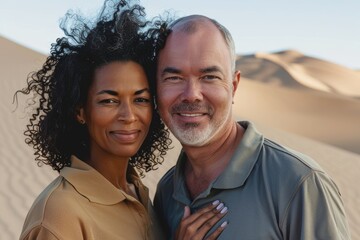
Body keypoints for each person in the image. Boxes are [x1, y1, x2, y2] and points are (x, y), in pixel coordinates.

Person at [15, 1, 228, 239]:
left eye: (141, 100)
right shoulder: (58, 216)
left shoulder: (139, 195)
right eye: (109, 101)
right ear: (80, 111)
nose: (128, 116)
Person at [153, 15, 351, 239]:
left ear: (234, 86)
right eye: (174, 78)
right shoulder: (167, 191)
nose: (192, 94)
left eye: (209, 77)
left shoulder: (299, 183)